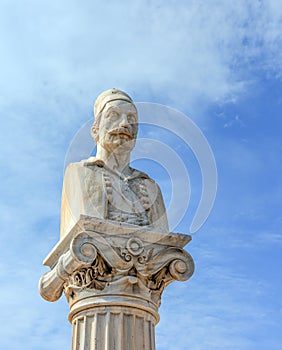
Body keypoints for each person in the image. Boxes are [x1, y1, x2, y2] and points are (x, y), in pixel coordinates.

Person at [60, 88, 169, 237]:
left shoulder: (150, 187)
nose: (125, 124)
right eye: (113, 115)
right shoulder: (79, 172)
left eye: (131, 118)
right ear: (95, 130)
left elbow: (164, 241)